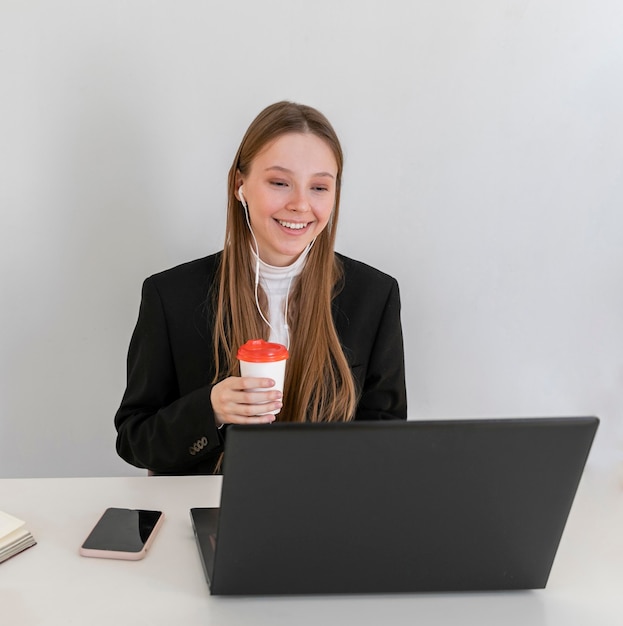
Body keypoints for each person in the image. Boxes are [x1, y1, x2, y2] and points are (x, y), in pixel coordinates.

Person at [114, 101, 407, 475]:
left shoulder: (374, 295)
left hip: (328, 517)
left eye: (319, 187)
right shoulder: (170, 295)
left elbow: (388, 440)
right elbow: (134, 438)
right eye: (280, 183)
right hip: (209, 517)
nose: (301, 205)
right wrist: (210, 409)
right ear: (241, 186)